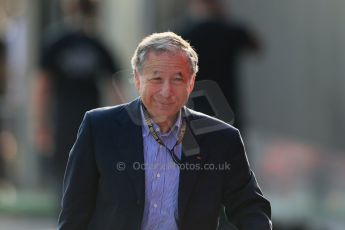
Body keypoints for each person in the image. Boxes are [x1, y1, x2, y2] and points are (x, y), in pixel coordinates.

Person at [58, 32, 271, 230]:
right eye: (156, 78)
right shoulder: (99, 128)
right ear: (138, 79)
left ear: (191, 83)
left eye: (178, 79)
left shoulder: (221, 139)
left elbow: (249, 207)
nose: (166, 91)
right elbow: (75, 213)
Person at [33, 0, 120, 189]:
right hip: (74, 120)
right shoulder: (91, 43)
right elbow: (115, 87)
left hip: (75, 120)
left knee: (72, 177)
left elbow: (42, 87)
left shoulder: (91, 43)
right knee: (77, 176)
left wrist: (40, 124)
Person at [179, 0, 261, 128]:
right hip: (228, 107)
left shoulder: (185, 35)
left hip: (198, 108)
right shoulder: (230, 31)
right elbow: (256, 46)